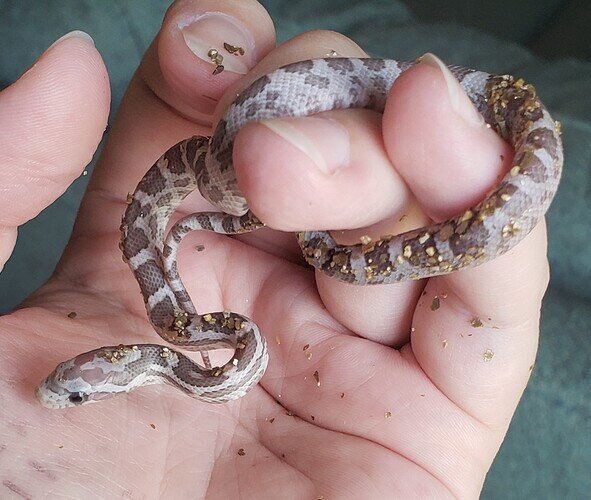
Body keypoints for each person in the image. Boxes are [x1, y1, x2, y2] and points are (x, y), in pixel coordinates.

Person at [0, 1, 550, 497]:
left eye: (72, 386)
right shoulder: (183, 337)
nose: (56, 392)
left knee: (272, 139)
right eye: (75, 389)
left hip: (273, 155)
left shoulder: (179, 328)